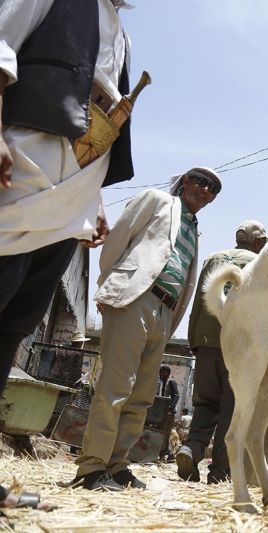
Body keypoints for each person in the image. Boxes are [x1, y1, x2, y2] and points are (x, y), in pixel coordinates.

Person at [0, 0, 137, 519]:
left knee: (12, 327)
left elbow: (97, 114)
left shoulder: (121, 33)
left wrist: (94, 200)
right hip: (18, 173)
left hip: (69, 199)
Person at [70, 166, 221, 491]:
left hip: (165, 312)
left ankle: (117, 465)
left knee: (140, 396)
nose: (206, 190)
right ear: (185, 181)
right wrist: (110, 287)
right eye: (201, 181)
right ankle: (92, 467)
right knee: (116, 387)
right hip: (135, 298)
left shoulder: (194, 231)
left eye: (213, 189)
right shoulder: (156, 200)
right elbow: (116, 240)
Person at [176, 220, 267, 484]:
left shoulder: (213, 259)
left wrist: (194, 340)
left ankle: (191, 449)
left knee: (205, 404)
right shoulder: (260, 262)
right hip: (238, 346)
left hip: (205, 342)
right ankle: (219, 472)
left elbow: (198, 303)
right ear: (257, 242)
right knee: (232, 408)